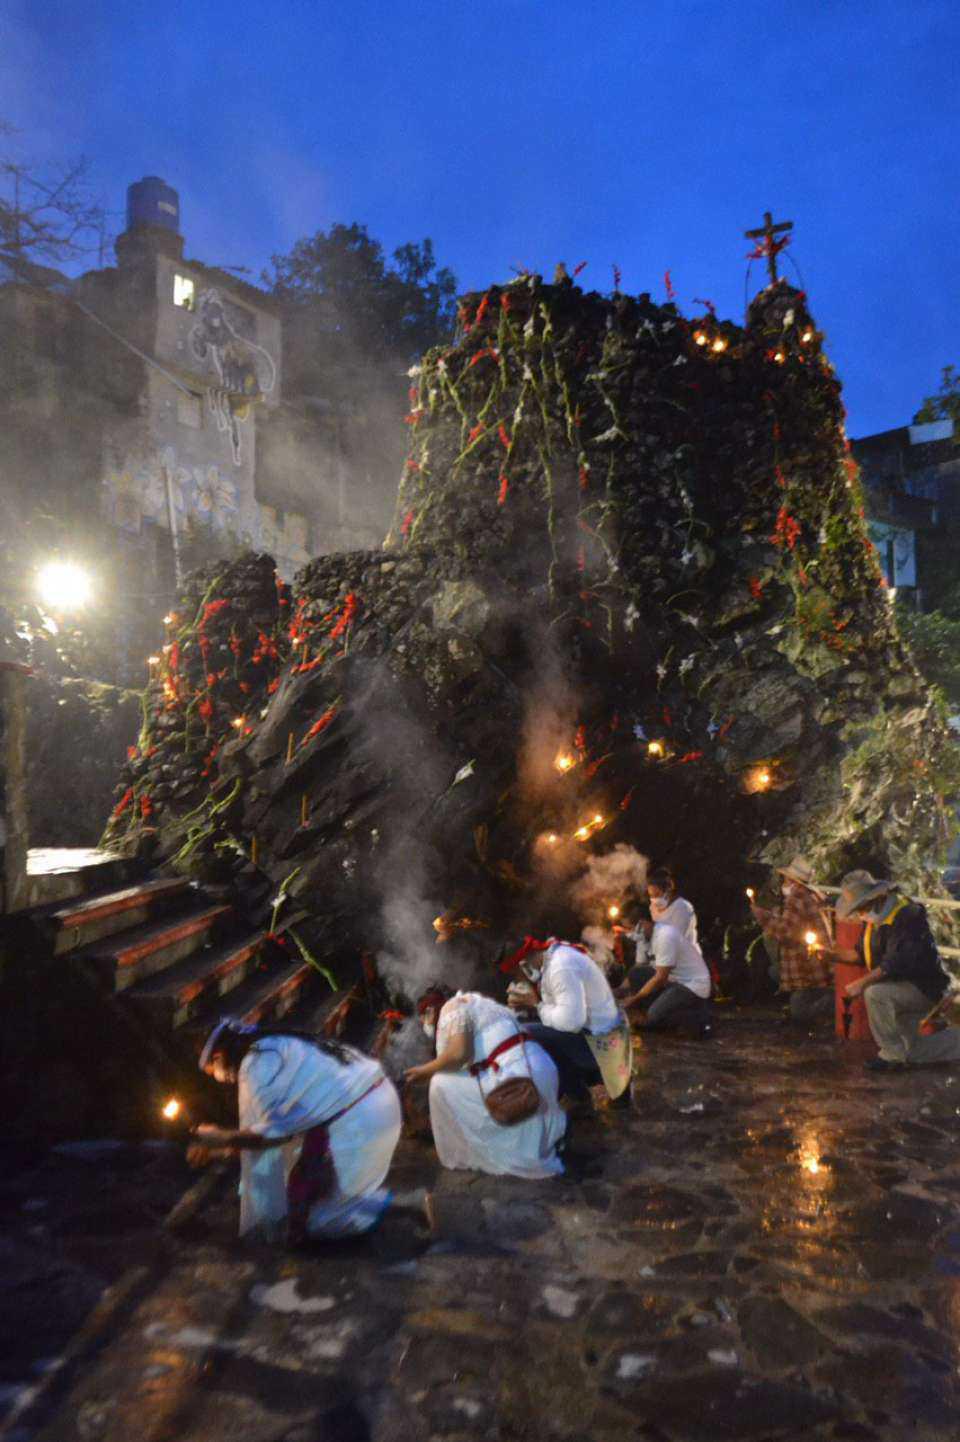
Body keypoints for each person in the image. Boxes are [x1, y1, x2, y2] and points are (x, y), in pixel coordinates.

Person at [187, 1018, 402, 1242]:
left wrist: (220, 1137)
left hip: (359, 1120)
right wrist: (217, 1151)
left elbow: (271, 1137)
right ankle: (356, 1200)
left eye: (213, 1072)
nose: (219, 1078)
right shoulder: (274, 1046)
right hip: (377, 1103)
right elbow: (273, 1132)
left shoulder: (257, 1066)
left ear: (218, 1057)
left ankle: (395, 1205)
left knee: (314, 1223)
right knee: (303, 1187)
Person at [404, 987, 566, 1178]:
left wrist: (425, 1071)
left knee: (440, 1083)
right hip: (541, 1072)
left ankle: (462, 1152)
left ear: (430, 1011)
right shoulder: (482, 1004)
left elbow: (459, 1053)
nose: (424, 1024)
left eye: (423, 1018)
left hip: (517, 1078)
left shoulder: (453, 1006)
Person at [836, 871, 960, 1072]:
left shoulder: (907, 914)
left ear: (877, 897)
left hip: (925, 987)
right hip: (901, 988)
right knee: (913, 1052)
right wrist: (829, 954)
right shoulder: (873, 921)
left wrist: (861, 983)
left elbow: (896, 961)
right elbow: (860, 954)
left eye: (862, 907)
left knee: (874, 994)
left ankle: (891, 1056)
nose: (860, 914)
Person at [500, 935, 632, 1107]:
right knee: (530, 1023)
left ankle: (578, 1094)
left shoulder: (561, 967)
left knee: (524, 1033)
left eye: (515, 974)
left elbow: (571, 1023)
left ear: (523, 964)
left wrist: (536, 1005)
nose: (517, 979)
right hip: (597, 1029)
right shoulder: (555, 955)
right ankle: (574, 1086)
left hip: (601, 1041)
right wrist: (531, 1006)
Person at [749, 855, 834, 1024]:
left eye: (786, 878)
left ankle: (834, 1000)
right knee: (775, 971)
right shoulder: (811, 895)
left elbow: (785, 932)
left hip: (806, 966)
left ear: (792, 879)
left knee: (800, 1013)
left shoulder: (797, 897)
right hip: (814, 961)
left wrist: (761, 915)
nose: (783, 882)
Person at [621, 919, 713, 1037]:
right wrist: (619, 989)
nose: (629, 933)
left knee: (651, 1020)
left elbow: (660, 978)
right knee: (636, 973)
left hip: (691, 985)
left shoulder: (665, 936)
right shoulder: (647, 937)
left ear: (643, 923)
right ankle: (657, 1009)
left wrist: (634, 999)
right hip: (674, 981)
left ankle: (697, 1017)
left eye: (630, 928)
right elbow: (640, 968)